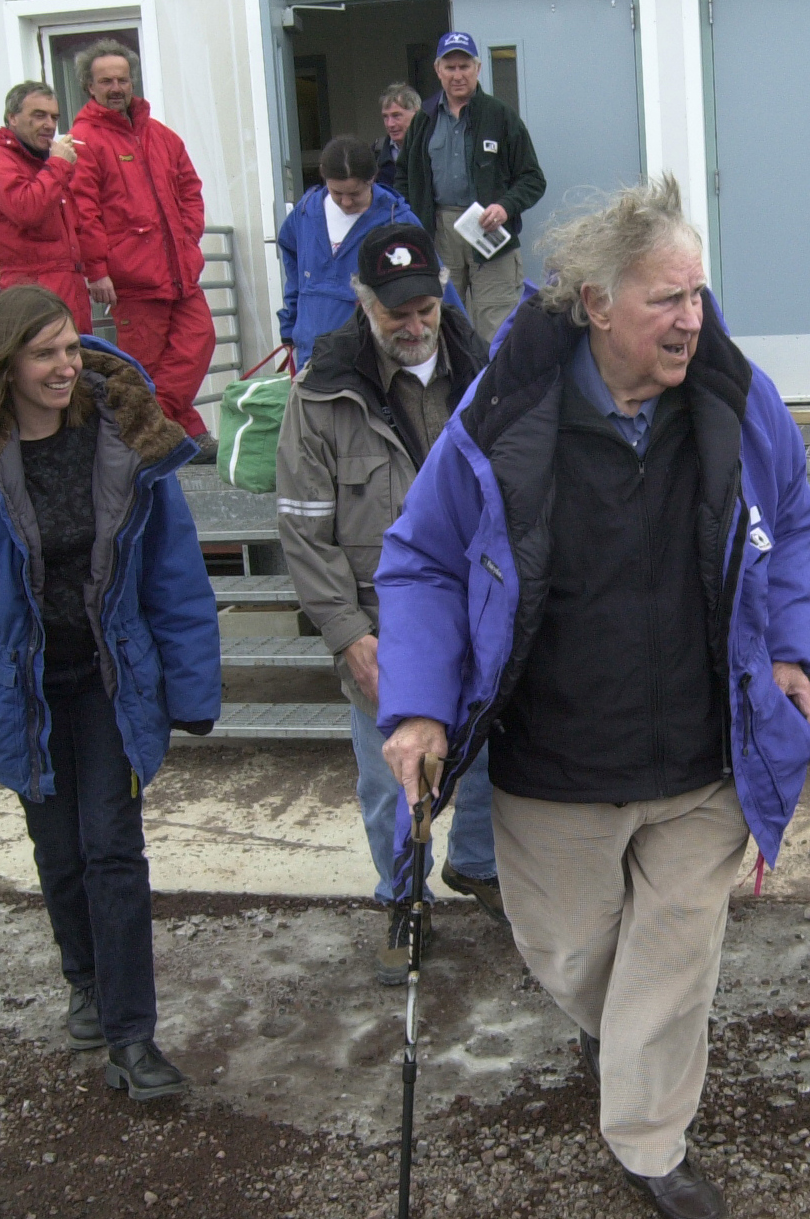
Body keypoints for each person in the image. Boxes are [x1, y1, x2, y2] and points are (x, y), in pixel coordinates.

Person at [375, 177, 810, 1219]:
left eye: (699, 295)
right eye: (666, 299)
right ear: (596, 304)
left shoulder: (733, 397)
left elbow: (788, 517)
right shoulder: (508, 414)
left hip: (703, 754)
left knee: (672, 962)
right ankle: (619, 1037)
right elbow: (420, 559)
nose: (691, 320)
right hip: (556, 760)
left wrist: (790, 651)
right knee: (576, 955)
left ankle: (649, 1145)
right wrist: (421, 708)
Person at [0, 284, 221, 1102]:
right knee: (59, 848)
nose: (67, 365)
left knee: (114, 849)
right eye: (46, 353)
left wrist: (189, 684)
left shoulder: (126, 441)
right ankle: (83, 978)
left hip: (111, 682)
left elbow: (174, 576)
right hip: (19, 691)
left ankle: (132, 1037)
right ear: (7, 366)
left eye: (73, 348)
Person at [275, 224, 504, 985]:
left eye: (425, 308)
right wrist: (348, 636)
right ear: (363, 303)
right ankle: (403, 894)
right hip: (382, 626)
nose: (413, 326)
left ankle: (479, 865)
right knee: (392, 779)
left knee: (495, 754)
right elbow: (305, 532)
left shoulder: (491, 373)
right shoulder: (321, 392)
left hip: (480, 613)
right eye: (395, 312)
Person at [69, 38, 219, 463]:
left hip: (179, 272)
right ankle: (183, 435)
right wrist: (97, 269)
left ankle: (156, 432)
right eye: (106, 81)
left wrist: (188, 236)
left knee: (199, 341)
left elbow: (190, 188)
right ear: (89, 86)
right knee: (145, 364)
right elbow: (84, 211)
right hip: (132, 281)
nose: (116, 87)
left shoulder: (161, 136)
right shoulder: (84, 140)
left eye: (122, 79)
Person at [394, 31, 546, 342]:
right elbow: (402, 178)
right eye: (450, 68)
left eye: (465, 66)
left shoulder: (500, 116)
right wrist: (413, 225)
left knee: (497, 325)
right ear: (438, 71)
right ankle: (454, 390)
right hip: (439, 232)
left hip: (491, 231)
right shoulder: (424, 118)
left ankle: (495, 390)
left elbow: (533, 178)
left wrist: (504, 207)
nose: (458, 75)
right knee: (442, 322)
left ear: (477, 69)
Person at [278, 135, 444, 368]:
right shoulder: (305, 213)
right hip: (311, 357)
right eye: (337, 193)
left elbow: (435, 290)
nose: (346, 202)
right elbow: (292, 269)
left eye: (355, 194)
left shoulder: (399, 221)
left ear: (373, 179)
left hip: (371, 361)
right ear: (324, 177)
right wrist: (289, 325)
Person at [0, 81, 93, 337]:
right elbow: (26, 210)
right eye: (39, 115)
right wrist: (58, 165)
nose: (49, 124)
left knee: (78, 367)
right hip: (33, 293)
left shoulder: (42, 161)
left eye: (54, 117)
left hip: (66, 286)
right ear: (12, 117)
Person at [372, 83, 420, 191]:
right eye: (385, 117)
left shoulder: (432, 147)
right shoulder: (377, 151)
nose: (390, 124)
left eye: (396, 116)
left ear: (417, 114)